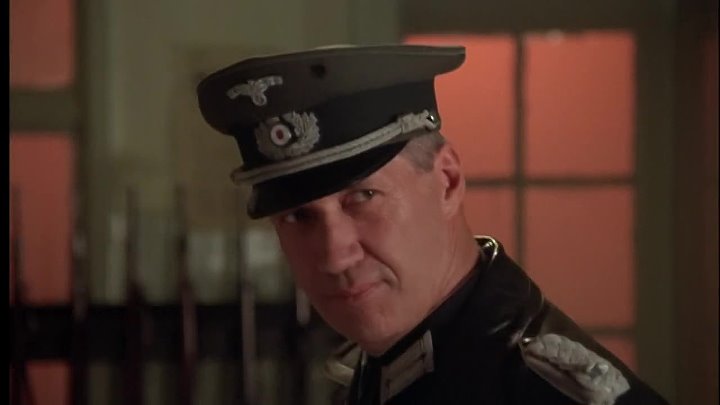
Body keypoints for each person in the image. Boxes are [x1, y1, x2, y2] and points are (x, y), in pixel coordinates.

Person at [195, 44, 669, 405]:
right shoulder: (383, 371)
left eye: (363, 197)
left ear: (447, 181)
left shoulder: (543, 392)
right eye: (298, 215)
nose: (335, 255)